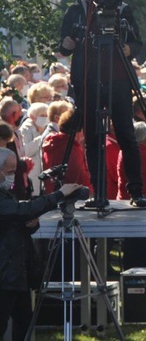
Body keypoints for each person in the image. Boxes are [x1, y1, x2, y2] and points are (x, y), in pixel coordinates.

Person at [58, 0, 146, 207]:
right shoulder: (77, 10)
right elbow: (63, 45)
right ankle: (99, 194)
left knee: (127, 136)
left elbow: (137, 42)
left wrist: (128, 48)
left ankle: (136, 192)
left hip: (117, 79)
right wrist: (66, 45)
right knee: (94, 138)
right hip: (88, 80)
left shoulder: (122, 9)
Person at [0, 146, 82, 341]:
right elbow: (20, 211)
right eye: (10, 172)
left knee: (24, 323)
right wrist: (58, 195)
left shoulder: (5, 194)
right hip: (5, 274)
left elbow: (17, 217)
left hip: (16, 272)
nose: (13, 177)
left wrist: (31, 224)